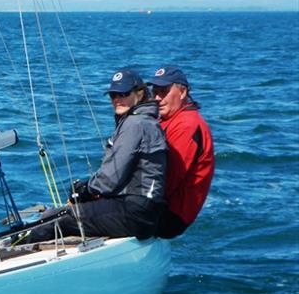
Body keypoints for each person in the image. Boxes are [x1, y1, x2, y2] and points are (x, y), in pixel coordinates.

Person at [23, 68, 167, 243]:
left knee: (53, 219)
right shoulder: (146, 122)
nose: (117, 100)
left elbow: (111, 178)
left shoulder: (135, 124)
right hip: (144, 212)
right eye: (113, 95)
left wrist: (86, 190)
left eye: (123, 94)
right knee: (66, 216)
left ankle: (13, 255)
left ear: (140, 93)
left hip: (134, 213)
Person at [148, 66, 214, 238]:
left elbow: (168, 179)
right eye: (154, 92)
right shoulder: (168, 119)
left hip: (170, 215)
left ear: (183, 92)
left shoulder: (186, 125)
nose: (157, 98)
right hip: (158, 205)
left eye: (164, 92)